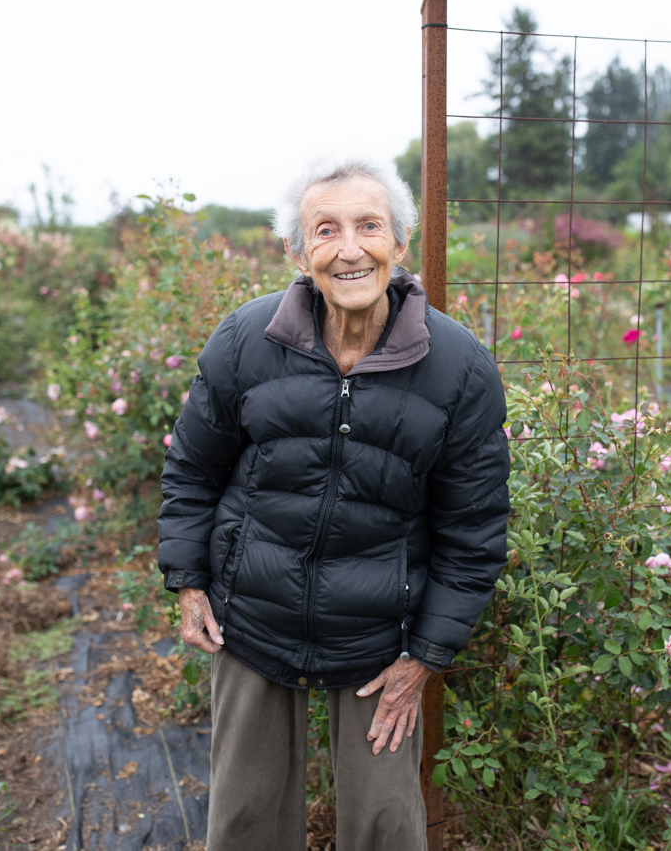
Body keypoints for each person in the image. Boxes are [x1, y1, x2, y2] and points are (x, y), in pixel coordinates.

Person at [157, 159, 510, 851]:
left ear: (398, 243)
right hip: (251, 616)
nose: (350, 248)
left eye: (369, 225)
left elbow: (473, 532)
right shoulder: (244, 341)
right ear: (298, 252)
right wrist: (189, 579)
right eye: (326, 229)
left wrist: (424, 656)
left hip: (381, 636)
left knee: (386, 823)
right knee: (244, 818)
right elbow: (192, 469)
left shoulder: (460, 368)